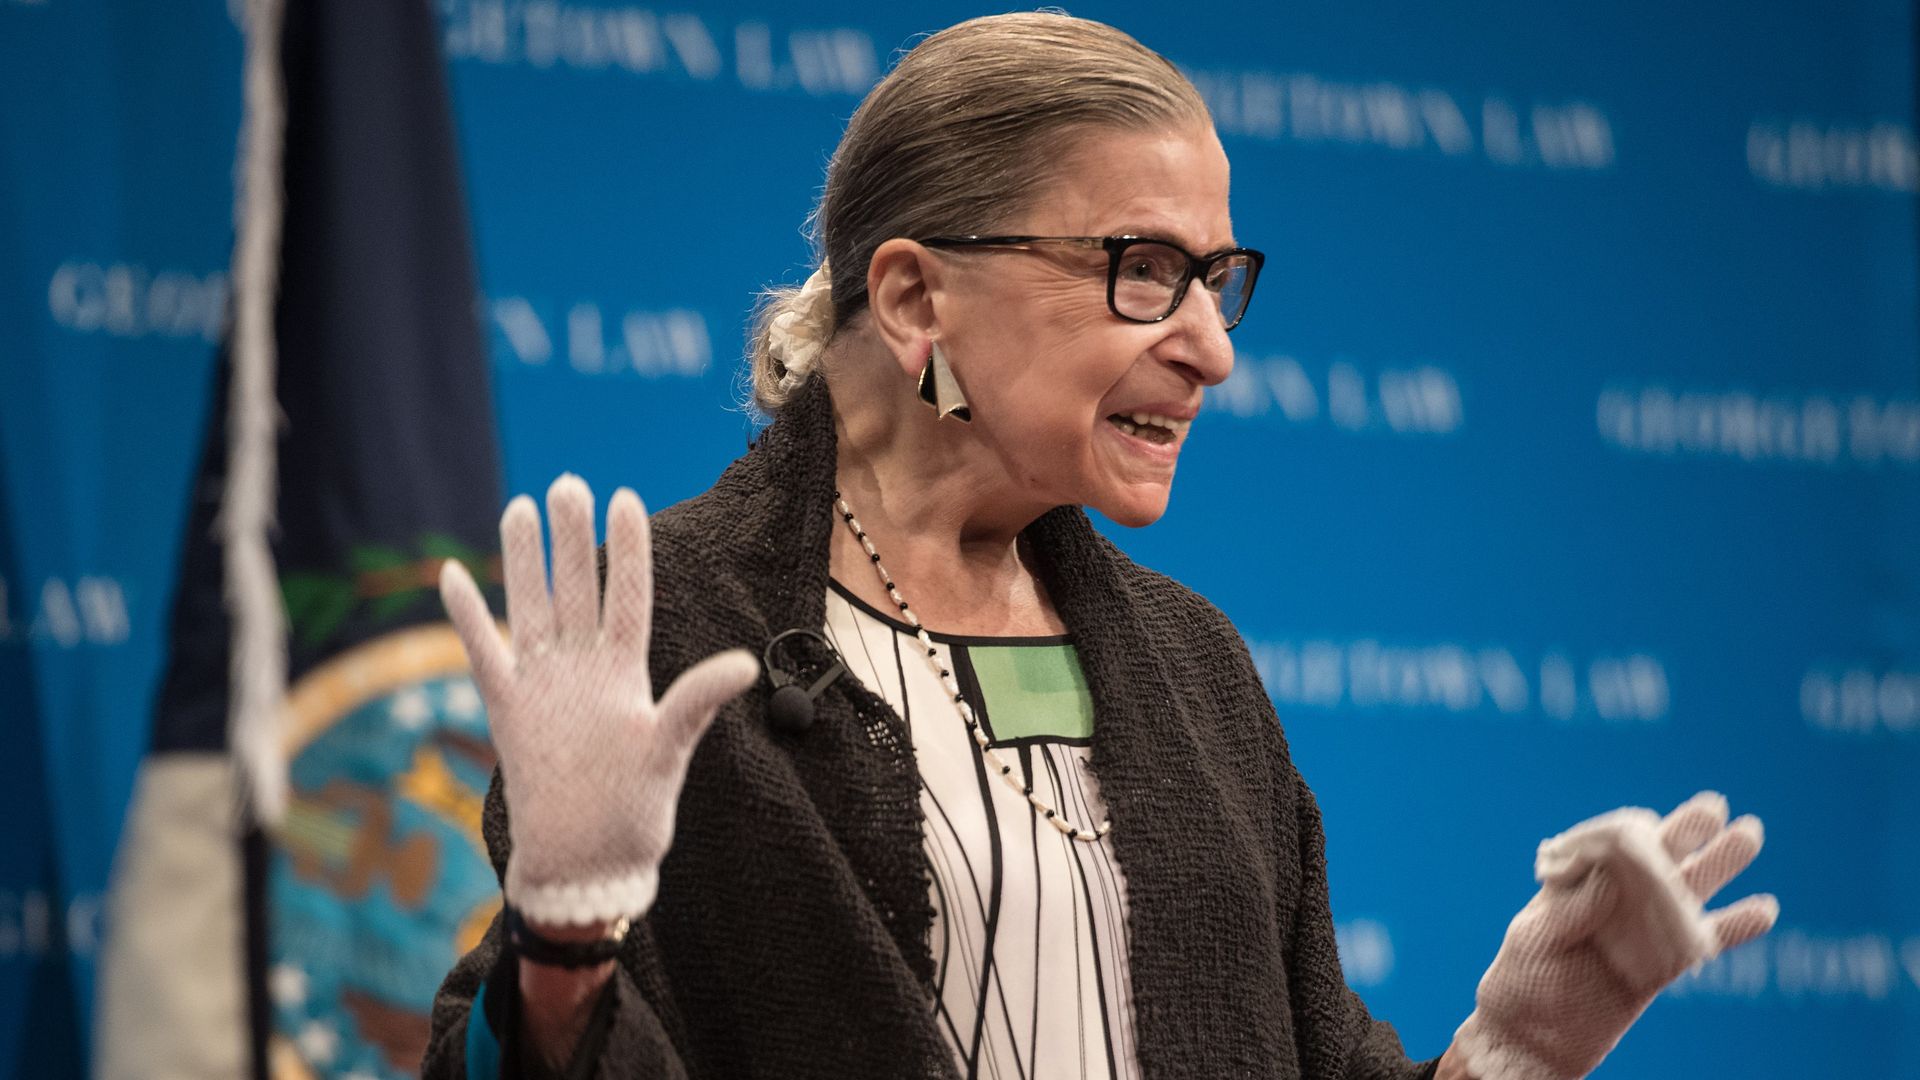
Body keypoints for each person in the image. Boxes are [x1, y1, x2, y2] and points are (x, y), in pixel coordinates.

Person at [424, 13, 1778, 1079]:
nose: (1210, 350)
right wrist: (564, 942)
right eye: (1142, 269)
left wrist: (1521, 1052)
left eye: (1218, 280)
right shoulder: (669, 639)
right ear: (913, 299)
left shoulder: (1193, 671)